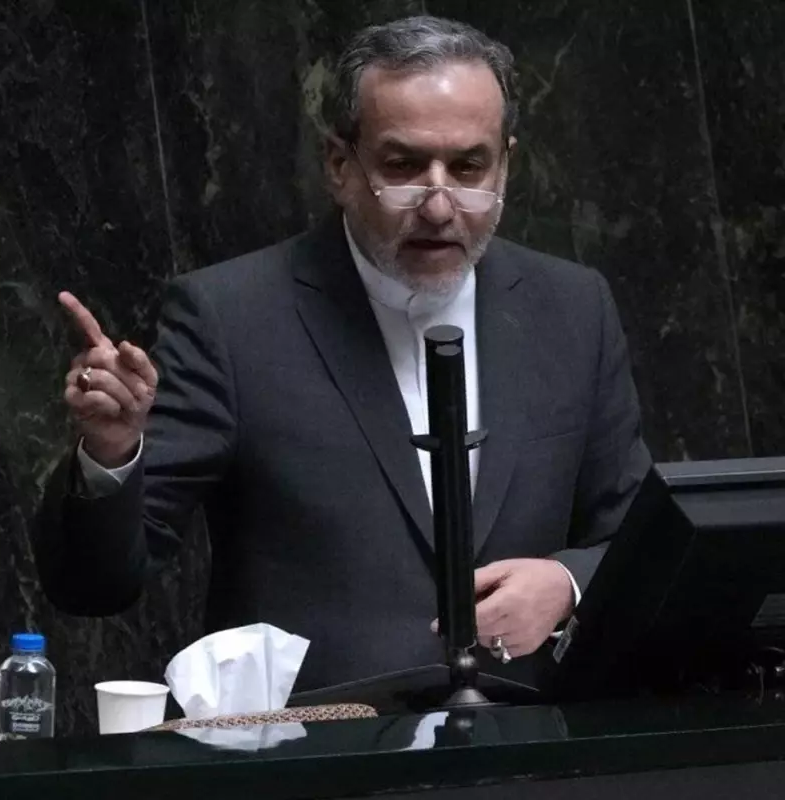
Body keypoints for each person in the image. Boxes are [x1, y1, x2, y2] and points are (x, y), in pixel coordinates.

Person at [34, 16, 652, 693]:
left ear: (505, 165)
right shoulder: (233, 318)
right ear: (339, 165)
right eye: (404, 166)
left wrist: (566, 583)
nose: (439, 205)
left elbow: (636, 536)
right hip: (319, 743)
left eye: (468, 168)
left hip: (531, 740)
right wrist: (112, 453)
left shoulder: (572, 308)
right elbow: (95, 585)